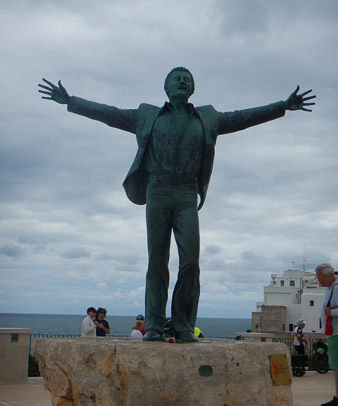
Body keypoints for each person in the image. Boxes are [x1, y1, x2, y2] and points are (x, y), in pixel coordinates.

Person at [38, 69, 315, 343]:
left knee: (191, 262)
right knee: (156, 262)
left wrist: (282, 106)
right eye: (176, 78)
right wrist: (71, 101)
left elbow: (243, 118)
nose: (182, 81)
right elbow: (109, 114)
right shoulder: (147, 116)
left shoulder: (208, 118)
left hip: (186, 193)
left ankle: (183, 324)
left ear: (192, 89)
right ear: (166, 88)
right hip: (157, 189)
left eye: (188, 79)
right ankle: (154, 326)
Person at [315, 263, 338, 406]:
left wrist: (331, 313)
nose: (319, 281)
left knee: (337, 366)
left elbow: (331, 310)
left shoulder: (336, 287)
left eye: (321, 278)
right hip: (333, 332)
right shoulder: (331, 288)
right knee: (335, 366)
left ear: (330, 275)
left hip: (337, 332)